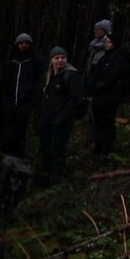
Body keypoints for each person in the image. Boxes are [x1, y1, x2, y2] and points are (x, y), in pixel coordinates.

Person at [37, 47, 84, 186]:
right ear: (51, 60)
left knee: (58, 149)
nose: (60, 61)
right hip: (47, 120)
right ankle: (45, 176)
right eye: (56, 58)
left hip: (61, 122)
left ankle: (55, 180)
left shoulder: (71, 75)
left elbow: (75, 100)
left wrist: (62, 118)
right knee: (46, 148)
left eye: (63, 57)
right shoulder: (49, 76)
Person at [85, 30, 130, 155]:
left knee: (107, 122)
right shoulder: (105, 57)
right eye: (106, 42)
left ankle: (106, 148)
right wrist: (92, 86)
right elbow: (96, 73)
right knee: (98, 122)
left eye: (109, 42)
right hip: (98, 96)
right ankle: (98, 147)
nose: (106, 44)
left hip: (109, 97)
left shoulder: (119, 59)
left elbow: (113, 78)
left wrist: (101, 86)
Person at [0, 33, 45, 158]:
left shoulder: (35, 61)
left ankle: (18, 158)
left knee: (20, 132)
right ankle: (4, 156)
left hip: (24, 104)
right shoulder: (10, 61)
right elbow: (3, 82)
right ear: (17, 44)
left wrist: (31, 99)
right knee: (7, 131)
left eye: (26, 43)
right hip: (9, 103)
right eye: (21, 43)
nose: (24, 45)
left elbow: (39, 82)